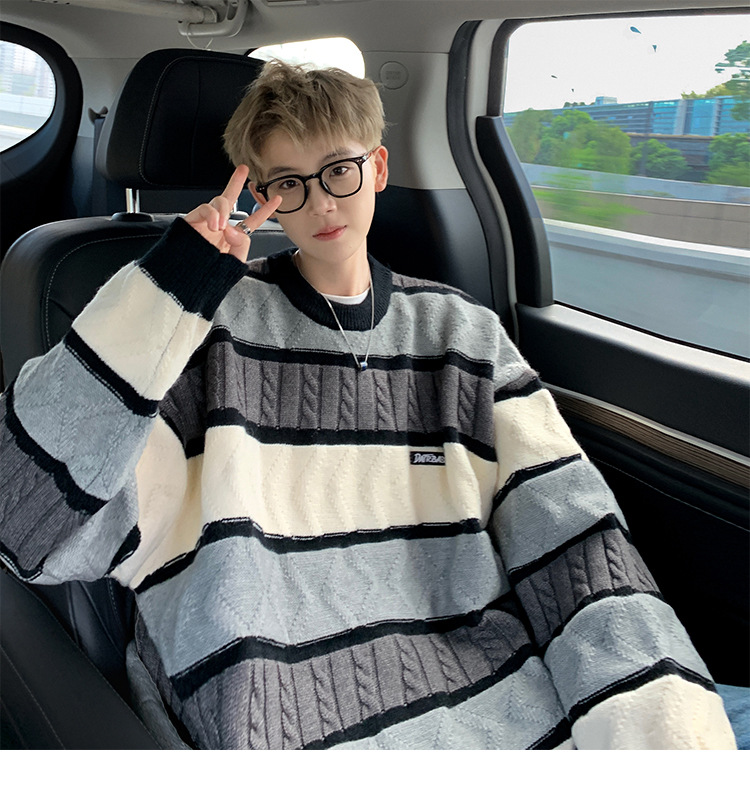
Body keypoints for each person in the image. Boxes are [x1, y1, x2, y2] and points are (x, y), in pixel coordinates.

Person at [0, 60, 736, 750]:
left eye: (339, 171)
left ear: (378, 168)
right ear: (263, 195)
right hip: (275, 705)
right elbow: (23, 514)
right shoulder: (201, 330)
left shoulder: (461, 333)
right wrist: (174, 281)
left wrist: (654, 723)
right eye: (290, 183)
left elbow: (571, 529)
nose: (321, 201)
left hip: (503, 699)